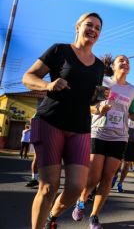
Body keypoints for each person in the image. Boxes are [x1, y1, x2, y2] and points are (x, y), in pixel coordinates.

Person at [22, 12, 104, 229]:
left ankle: (52, 217)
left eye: (97, 28)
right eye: (89, 25)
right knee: (49, 186)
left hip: (80, 127)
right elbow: (28, 77)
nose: (93, 30)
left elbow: (90, 99)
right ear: (77, 26)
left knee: (77, 187)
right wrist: (48, 85)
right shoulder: (60, 50)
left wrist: (99, 106)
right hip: (51, 121)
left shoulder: (99, 66)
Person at [72, 54, 134, 228]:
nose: (125, 63)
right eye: (121, 60)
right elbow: (89, 107)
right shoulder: (104, 83)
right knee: (93, 177)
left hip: (120, 137)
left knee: (108, 177)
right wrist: (99, 108)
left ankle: (94, 216)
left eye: (128, 61)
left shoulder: (133, 91)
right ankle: (81, 202)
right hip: (98, 133)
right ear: (112, 66)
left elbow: (132, 113)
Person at [114, 103, 134, 193]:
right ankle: (114, 176)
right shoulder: (124, 105)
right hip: (120, 137)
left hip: (133, 140)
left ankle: (120, 183)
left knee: (127, 163)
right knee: (117, 160)